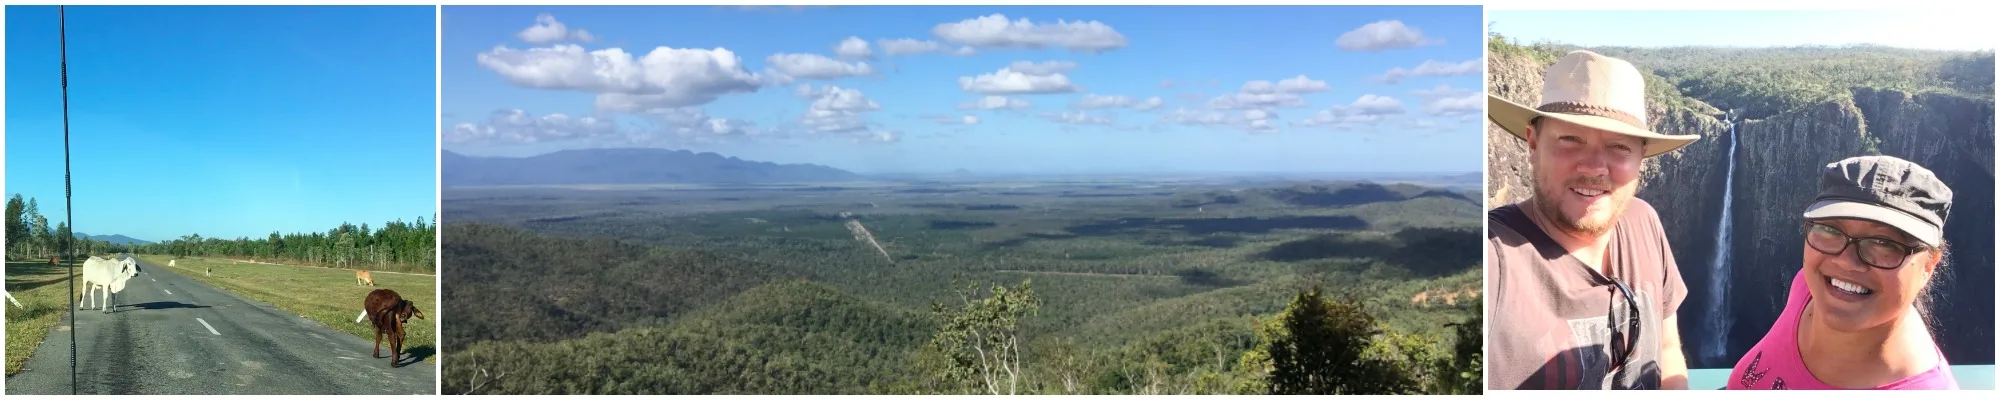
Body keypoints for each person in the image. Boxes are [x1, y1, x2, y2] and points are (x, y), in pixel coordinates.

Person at [1486, 50, 1701, 390]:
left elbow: (1667, 347)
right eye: (1571, 139)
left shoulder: (1643, 222)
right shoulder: (1494, 257)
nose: (1594, 167)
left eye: (1618, 146)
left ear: (1640, 157)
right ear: (1532, 141)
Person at [1728, 156, 1958, 390]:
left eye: (1883, 242)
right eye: (1830, 229)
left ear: (1928, 266)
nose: (1847, 262)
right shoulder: (1808, 289)